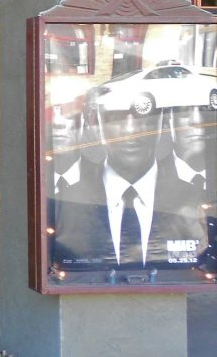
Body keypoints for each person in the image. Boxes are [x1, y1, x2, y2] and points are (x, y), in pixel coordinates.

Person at [51, 93, 211, 275]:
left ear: (163, 124)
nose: (130, 129)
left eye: (143, 117)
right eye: (117, 117)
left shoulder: (191, 197)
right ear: (97, 126)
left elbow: (199, 265)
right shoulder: (68, 199)